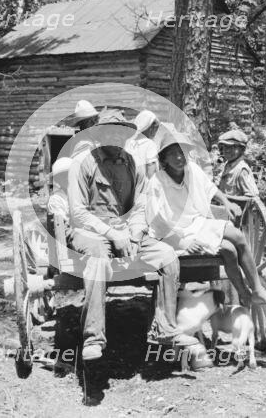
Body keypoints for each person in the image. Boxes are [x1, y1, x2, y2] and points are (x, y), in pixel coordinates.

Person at [67, 109, 199, 361]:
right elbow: (77, 213)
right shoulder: (82, 163)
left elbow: (140, 204)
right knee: (97, 259)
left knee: (168, 256)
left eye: (121, 133)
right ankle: (94, 338)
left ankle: (165, 329)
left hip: (127, 232)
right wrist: (112, 234)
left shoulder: (131, 162)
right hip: (91, 231)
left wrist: (136, 233)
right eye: (110, 132)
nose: (116, 137)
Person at [146, 131, 266, 309]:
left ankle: (256, 290)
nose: (179, 157)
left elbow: (210, 189)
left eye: (182, 152)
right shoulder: (157, 182)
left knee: (237, 237)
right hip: (175, 233)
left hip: (197, 223)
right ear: (164, 159)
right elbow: (157, 221)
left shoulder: (192, 170)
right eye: (173, 153)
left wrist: (227, 203)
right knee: (228, 250)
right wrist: (184, 242)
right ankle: (244, 294)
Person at [217, 129, 259, 197]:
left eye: (232, 147)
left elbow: (252, 197)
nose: (227, 150)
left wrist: (225, 198)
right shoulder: (228, 164)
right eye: (225, 147)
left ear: (242, 149)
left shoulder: (241, 170)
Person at [125, 110, 160, 178]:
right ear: (150, 128)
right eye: (155, 128)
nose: (155, 132)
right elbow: (151, 169)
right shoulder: (149, 144)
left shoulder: (128, 143)